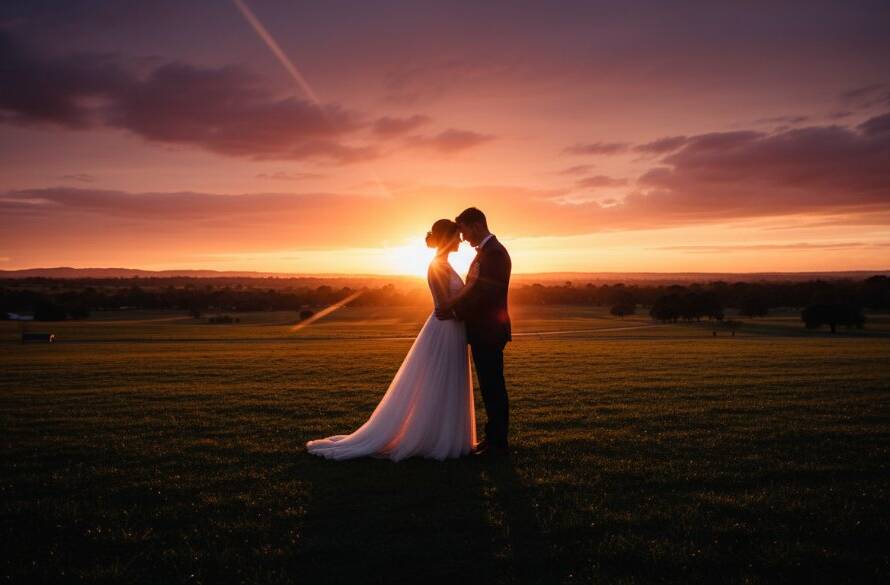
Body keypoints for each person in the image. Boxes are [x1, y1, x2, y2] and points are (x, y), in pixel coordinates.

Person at [306, 219, 476, 461]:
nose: (460, 241)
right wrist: (470, 286)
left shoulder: (445, 265)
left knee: (448, 381)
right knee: (440, 381)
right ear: (447, 238)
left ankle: (444, 435)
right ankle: (434, 439)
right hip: (444, 330)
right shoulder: (437, 265)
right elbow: (442, 305)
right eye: (457, 236)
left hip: (453, 329)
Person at [436, 207, 512, 457]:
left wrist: (457, 313)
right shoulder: (487, 253)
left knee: (493, 387)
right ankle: (492, 440)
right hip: (483, 330)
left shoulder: (495, 254)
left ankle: (498, 445)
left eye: (465, 231)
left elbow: (486, 295)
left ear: (476, 225)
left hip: (489, 330)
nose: (464, 238)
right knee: (489, 387)